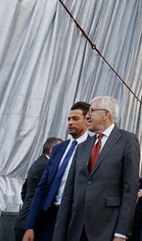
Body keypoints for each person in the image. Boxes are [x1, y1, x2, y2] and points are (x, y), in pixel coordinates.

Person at [53, 96, 139, 241]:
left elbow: (130, 189)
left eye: (91, 111)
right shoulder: (82, 147)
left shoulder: (127, 140)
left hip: (107, 229)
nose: (87, 116)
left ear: (106, 114)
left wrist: (121, 233)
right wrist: (59, 235)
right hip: (76, 230)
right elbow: (68, 194)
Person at [23, 101, 91, 241]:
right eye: (69, 119)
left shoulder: (93, 148)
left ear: (87, 120)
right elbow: (42, 187)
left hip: (74, 218)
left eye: (75, 119)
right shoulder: (59, 149)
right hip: (50, 215)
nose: (70, 123)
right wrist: (30, 226)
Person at [14, 137, 63, 241]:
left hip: (25, 220)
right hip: (31, 225)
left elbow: (25, 191)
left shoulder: (39, 163)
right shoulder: (46, 166)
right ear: (52, 151)